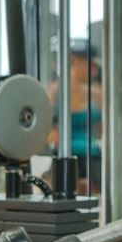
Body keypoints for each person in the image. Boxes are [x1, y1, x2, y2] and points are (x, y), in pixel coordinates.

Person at [47, 39, 102, 189]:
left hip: (93, 159)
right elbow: (46, 131)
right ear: (74, 61)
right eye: (89, 64)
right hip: (64, 156)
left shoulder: (98, 94)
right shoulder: (55, 92)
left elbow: (106, 131)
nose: (95, 69)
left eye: (95, 65)